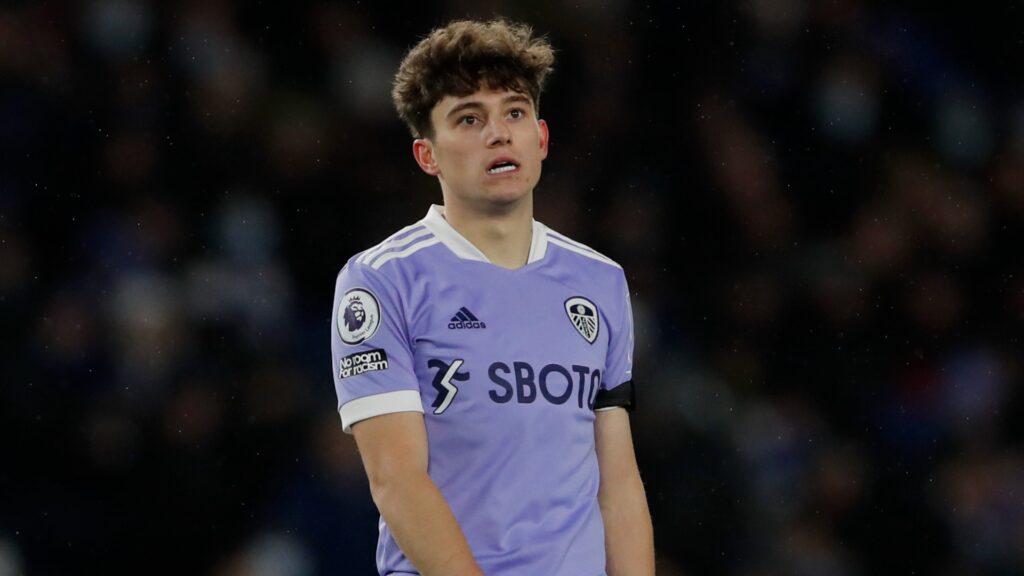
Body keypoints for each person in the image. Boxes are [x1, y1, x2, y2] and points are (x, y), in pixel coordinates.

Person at [330, 18, 655, 575]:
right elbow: (395, 478)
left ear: (541, 138)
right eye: (469, 119)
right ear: (426, 156)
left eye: (514, 112)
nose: (499, 133)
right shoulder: (381, 281)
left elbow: (618, 482)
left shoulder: (600, 282)